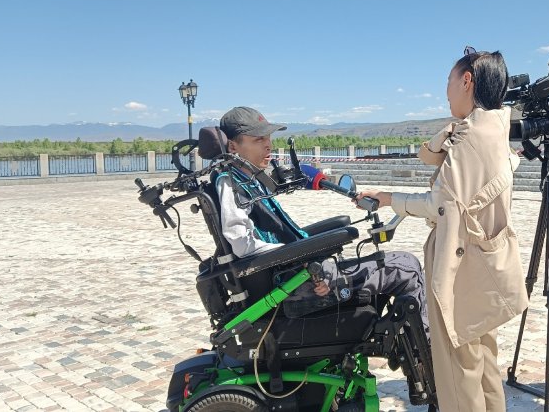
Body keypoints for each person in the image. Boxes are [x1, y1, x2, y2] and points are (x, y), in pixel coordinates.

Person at [356, 48, 529, 412]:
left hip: (460, 264)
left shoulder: (470, 137)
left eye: (449, 81)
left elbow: (441, 205)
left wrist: (388, 198)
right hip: (488, 261)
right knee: (484, 360)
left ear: (467, 81)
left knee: (458, 369)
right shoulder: (494, 126)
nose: (446, 91)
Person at [214, 106, 428, 335]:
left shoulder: (248, 180)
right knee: (406, 268)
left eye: (268, 138)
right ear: (233, 146)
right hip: (296, 283)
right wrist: (299, 254)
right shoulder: (231, 184)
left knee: (401, 263)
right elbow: (242, 245)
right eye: (258, 139)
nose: (268, 145)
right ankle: (423, 346)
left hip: (296, 270)